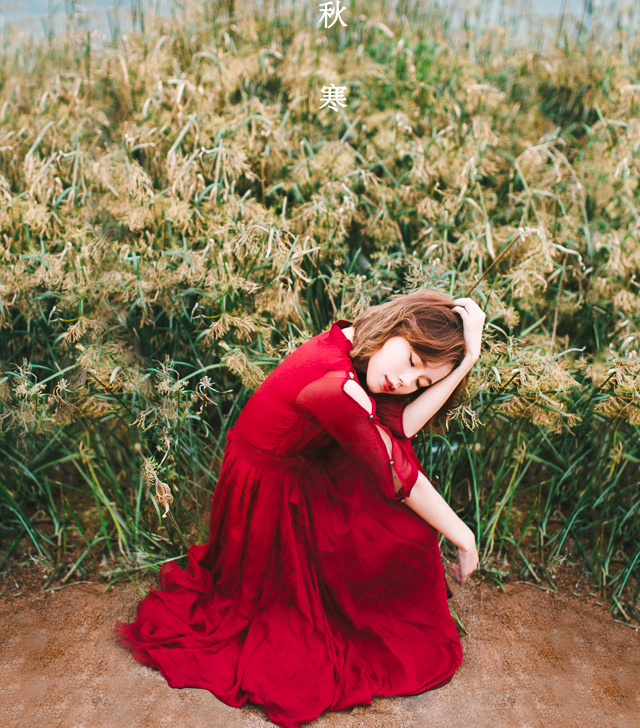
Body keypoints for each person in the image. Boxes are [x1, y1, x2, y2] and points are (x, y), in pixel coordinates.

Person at [115, 289, 485, 728]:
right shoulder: (336, 384)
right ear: (397, 328)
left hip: (292, 465)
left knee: (391, 505)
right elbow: (396, 476)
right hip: (264, 493)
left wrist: (467, 360)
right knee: (393, 515)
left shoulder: (355, 343)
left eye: (420, 382)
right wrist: (463, 535)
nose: (405, 382)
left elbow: (400, 425)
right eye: (411, 361)